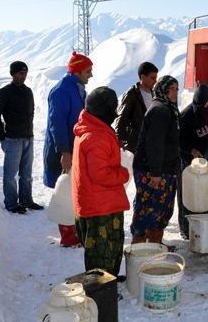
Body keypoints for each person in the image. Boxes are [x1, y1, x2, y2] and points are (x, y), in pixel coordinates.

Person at [72, 87, 130, 277]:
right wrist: (123, 174)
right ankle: (99, 291)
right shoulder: (96, 136)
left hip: (98, 202)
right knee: (101, 252)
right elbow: (100, 174)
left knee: (109, 248)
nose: (115, 114)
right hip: (100, 207)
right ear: (103, 110)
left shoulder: (91, 128)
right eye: (112, 109)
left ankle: (108, 282)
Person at [43, 51, 93, 247]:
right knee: (65, 191)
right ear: (78, 71)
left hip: (75, 148)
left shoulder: (78, 88)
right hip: (62, 149)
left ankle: (76, 231)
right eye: (88, 71)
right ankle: (68, 236)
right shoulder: (62, 91)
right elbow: (57, 124)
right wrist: (64, 151)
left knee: (76, 190)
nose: (91, 75)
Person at [130, 75, 181, 244]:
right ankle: (139, 251)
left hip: (162, 169)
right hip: (152, 170)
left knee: (160, 210)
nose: (175, 92)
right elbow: (155, 145)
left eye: (176, 89)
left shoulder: (167, 108)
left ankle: (154, 246)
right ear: (162, 90)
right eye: (171, 89)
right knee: (147, 210)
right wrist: (156, 173)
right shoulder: (160, 111)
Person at [0, 61, 43, 214]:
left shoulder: (28, 91)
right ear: (13, 74)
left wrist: (29, 133)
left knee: (26, 174)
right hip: (12, 139)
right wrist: (2, 137)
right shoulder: (4, 92)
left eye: (25, 73)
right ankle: (12, 204)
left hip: (28, 138)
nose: (23, 76)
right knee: (10, 175)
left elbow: (30, 113)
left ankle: (26, 200)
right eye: (20, 73)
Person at [178, 84, 208, 238]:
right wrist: (192, 151)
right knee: (188, 195)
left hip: (206, 159)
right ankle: (186, 229)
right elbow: (178, 140)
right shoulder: (187, 116)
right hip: (189, 162)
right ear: (200, 102)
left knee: (205, 193)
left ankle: (203, 224)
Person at [115, 62, 158, 153]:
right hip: (136, 146)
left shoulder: (155, 94)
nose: (155, 81)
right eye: (152, 78)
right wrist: (121, 142)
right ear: (143, 77)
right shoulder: (132, 94)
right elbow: (121, 119)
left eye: (156, 78)